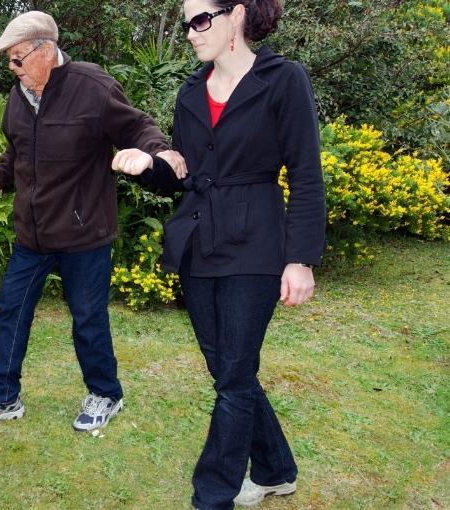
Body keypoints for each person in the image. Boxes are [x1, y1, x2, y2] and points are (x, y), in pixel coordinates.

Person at [112, 0, 325, 507]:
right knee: (230, 370)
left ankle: (211, 496)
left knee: (232, 377)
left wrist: (300, 258)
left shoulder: (283, 80)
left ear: (238, 15)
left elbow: (306, 174)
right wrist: (150, 165)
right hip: (198, 245)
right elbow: (182, 177)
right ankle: (276, 469)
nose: (190, 32)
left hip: (256, 246)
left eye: (200, 19)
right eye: (187, 22)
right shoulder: (190, 91)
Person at [0, 11, 184, 432]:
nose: (13, 68)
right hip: (33, 231)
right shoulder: (19, 94)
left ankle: (105, 393)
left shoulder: (93, 88)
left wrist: (155, 155)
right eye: (10, 60)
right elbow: (17, 149)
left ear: (47, 50)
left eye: (18, 58)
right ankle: (3, 397)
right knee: (11, 311)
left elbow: (138, 126)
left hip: (84, 232)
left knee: (88, 317)